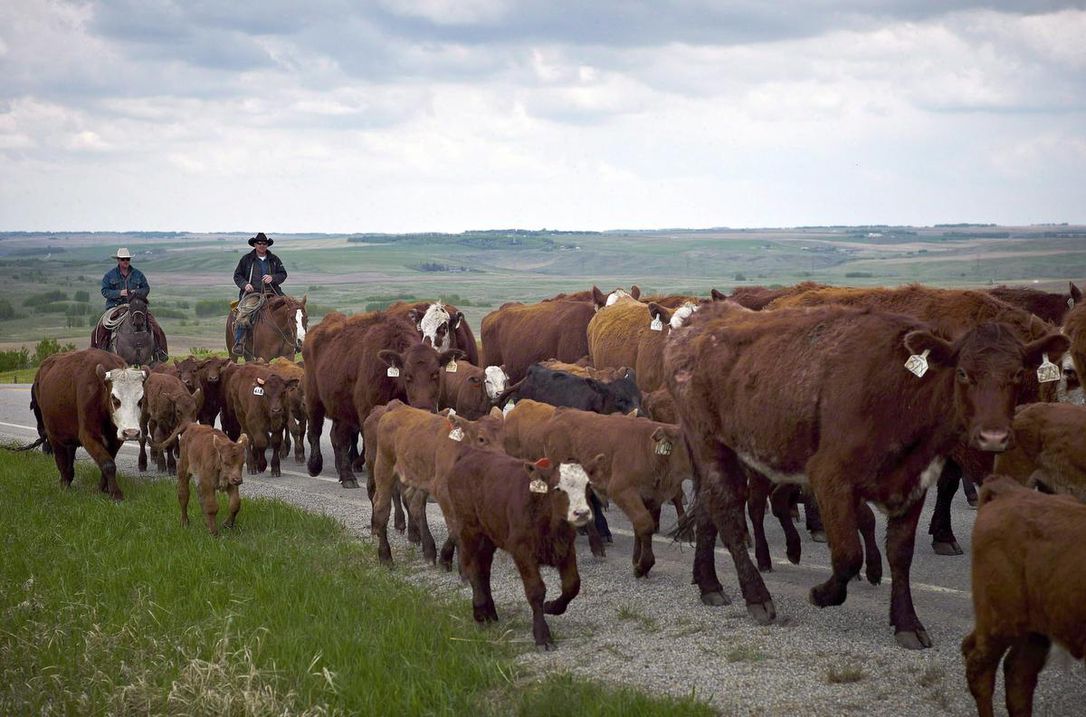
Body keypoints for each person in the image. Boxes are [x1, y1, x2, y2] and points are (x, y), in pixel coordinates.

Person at [94, 247, 168, 361]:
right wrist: (120, 293)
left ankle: (160, 350)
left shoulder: (138, 274)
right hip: (116, 307)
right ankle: (100, 351)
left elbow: (146, 288)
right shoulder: (109, 275)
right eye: (123, 259)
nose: (125, 261)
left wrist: (135, 293)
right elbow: (104, 291)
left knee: (155, 325)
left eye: (127, 259)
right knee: (101, 327)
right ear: (118, 260)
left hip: (136, 306)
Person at [231, 233, 288, 355]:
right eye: (259, 243)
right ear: (255, 245)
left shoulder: (274, 259)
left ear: (267, 245)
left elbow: (283, 274)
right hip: (254, 294)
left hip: (272, 292)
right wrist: (245, 284)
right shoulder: (246, 259)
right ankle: (239, 342)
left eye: (264, 244)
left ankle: (293, 341)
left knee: (291, 309)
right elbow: (237, 275)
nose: (262, 246)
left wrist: (273, 278)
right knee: (244, 313)